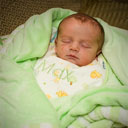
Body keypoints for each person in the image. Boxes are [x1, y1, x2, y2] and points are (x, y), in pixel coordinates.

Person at [34, 13, 106, 98]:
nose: (74, 47)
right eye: (66, 41)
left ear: (97, 52)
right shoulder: (47, 52)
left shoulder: (97, 68)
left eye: (85, 45)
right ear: (56, 43)